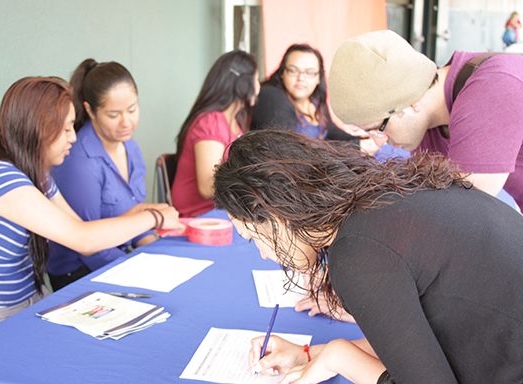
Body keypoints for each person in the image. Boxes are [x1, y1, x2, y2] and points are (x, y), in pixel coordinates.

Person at [213, 129, 523, 383]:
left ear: (277, 216)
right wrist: (309, 354)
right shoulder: (383, 198)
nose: (265, 255)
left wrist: (339, 357)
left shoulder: (359, 252)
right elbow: (412, 340)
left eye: (254, 238)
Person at [0, 77, 181, 349]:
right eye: (66, 128)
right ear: (38, 129)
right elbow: (82, 238)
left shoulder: (39, 177)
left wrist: (139, 213)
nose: (73, 136)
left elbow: (78, 226)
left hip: (27, 303)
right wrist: (155, 217)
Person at [328, 29, 523, 211]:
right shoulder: (427, 130)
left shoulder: (492, 88)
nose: (380, 140)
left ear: (410, 101)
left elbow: (463, 215)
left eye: (379, 127)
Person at [46, 59, 161, 291]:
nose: (126, 122)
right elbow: (89, 246)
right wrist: (143, 270)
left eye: (132, 109)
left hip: (121, 260)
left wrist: (157, 251)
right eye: (113, 115)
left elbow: (136, 219)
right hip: (79, 274)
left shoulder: (131, 148)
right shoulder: (79, 161)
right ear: (90, 110)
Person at [171, 50, 260, 217]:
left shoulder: (234, 121)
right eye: (256, 79)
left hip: (219, 214)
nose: (259, 87)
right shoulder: (211, 122)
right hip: (199, 217)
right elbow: (207, 187)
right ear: (243, 84)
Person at [250, 44, 377, 155]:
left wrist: (364, 141)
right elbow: (288, 149)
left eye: (309, 73)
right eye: (293, 71)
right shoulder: (272, 96)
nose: (301, 78)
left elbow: (332, 134)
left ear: (318, 77)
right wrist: (356, 147)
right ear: (282, 72)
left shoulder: (315, 99)